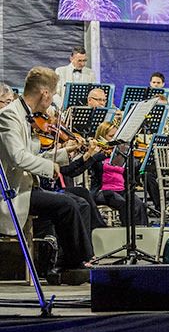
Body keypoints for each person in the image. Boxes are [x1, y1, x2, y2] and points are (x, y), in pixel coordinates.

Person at [0, 67, 94, 276]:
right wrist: (49, 167)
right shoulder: (9, 116)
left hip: (26, 188)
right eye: (52, 95)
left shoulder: (24, 115)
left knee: (80, 202)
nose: (51, 101)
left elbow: (31, 157)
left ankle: (70, 263)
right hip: (12, 194)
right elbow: (18, 158)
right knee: (66, 204)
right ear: (45, 93)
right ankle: (74, 265)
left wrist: (62, 153)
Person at [89, 122, 149, 226]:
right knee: (122, 203)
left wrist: (129, 156)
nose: (113, 140)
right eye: (111, 136)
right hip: (103, 191)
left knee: (140, 205)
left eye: (116, 137)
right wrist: (100, 153)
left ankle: (141, 234)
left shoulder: (120, 153)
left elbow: (132, 172)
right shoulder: (97, 154)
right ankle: (126, 233)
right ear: (101, 137)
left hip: (122, 190)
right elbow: (91, 165)